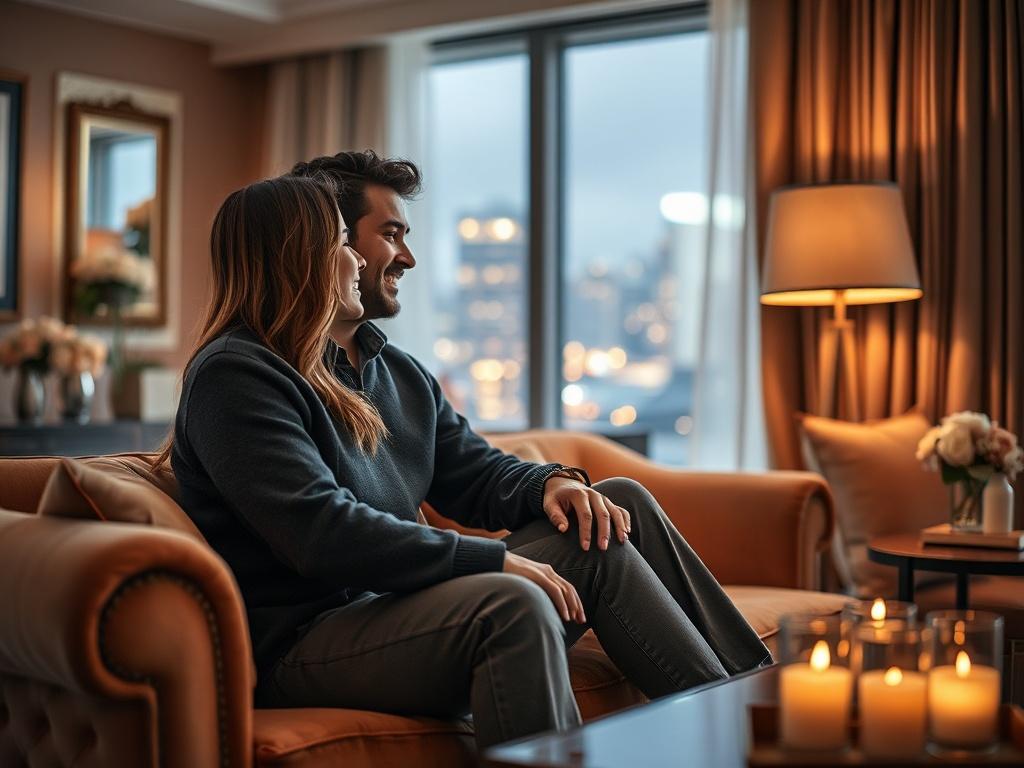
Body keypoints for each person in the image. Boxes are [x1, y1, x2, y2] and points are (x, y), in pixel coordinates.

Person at [162, 162, 770, 752]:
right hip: (307, 639)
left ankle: (758, 720)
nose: (362, 258)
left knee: (614, 507)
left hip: (389, 610)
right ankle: (732, 736)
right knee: (514, 602)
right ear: (298, 254)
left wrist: (549, 484)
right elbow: (321, 533)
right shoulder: (236, 375)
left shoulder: (392, 371)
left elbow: (473, 470)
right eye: (346, 241)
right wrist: (490, 562)